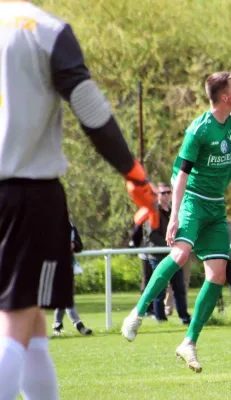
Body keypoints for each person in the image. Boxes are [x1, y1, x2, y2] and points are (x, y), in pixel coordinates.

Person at [0, 2, 156, 399]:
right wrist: (133, 172)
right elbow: (90, 108)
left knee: (34, 324)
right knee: (16, 324)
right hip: (26, 194)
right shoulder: (44, 30)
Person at [121, 72, 231, 374]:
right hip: (192, 200)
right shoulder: (199, 130)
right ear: (225, 96)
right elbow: (181, 178)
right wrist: (174, 216)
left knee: (217, 275)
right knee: (179, 255)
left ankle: (188, 342)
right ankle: (137, 314)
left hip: (216, 208)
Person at [145, 183, 191, 324]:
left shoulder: (174, 211)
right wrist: (170, 243)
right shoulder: (153, 212)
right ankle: (160, 318)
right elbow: (151, 235)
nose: (166, 195)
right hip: (158, 256)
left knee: (179, 288)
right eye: (162, 193)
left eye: (168, 192)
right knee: (160, 289)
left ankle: (184, 317)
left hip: (174, 255)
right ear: (157, 195)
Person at [53, 220, 93, 336]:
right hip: (53, 266)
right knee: (66, 296)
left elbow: (80, 246)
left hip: (68, 266)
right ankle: (79, 325)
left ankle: (57, 325)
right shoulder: (48, 223)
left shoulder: (71, 226)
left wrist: (74, 244)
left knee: (65, 296)